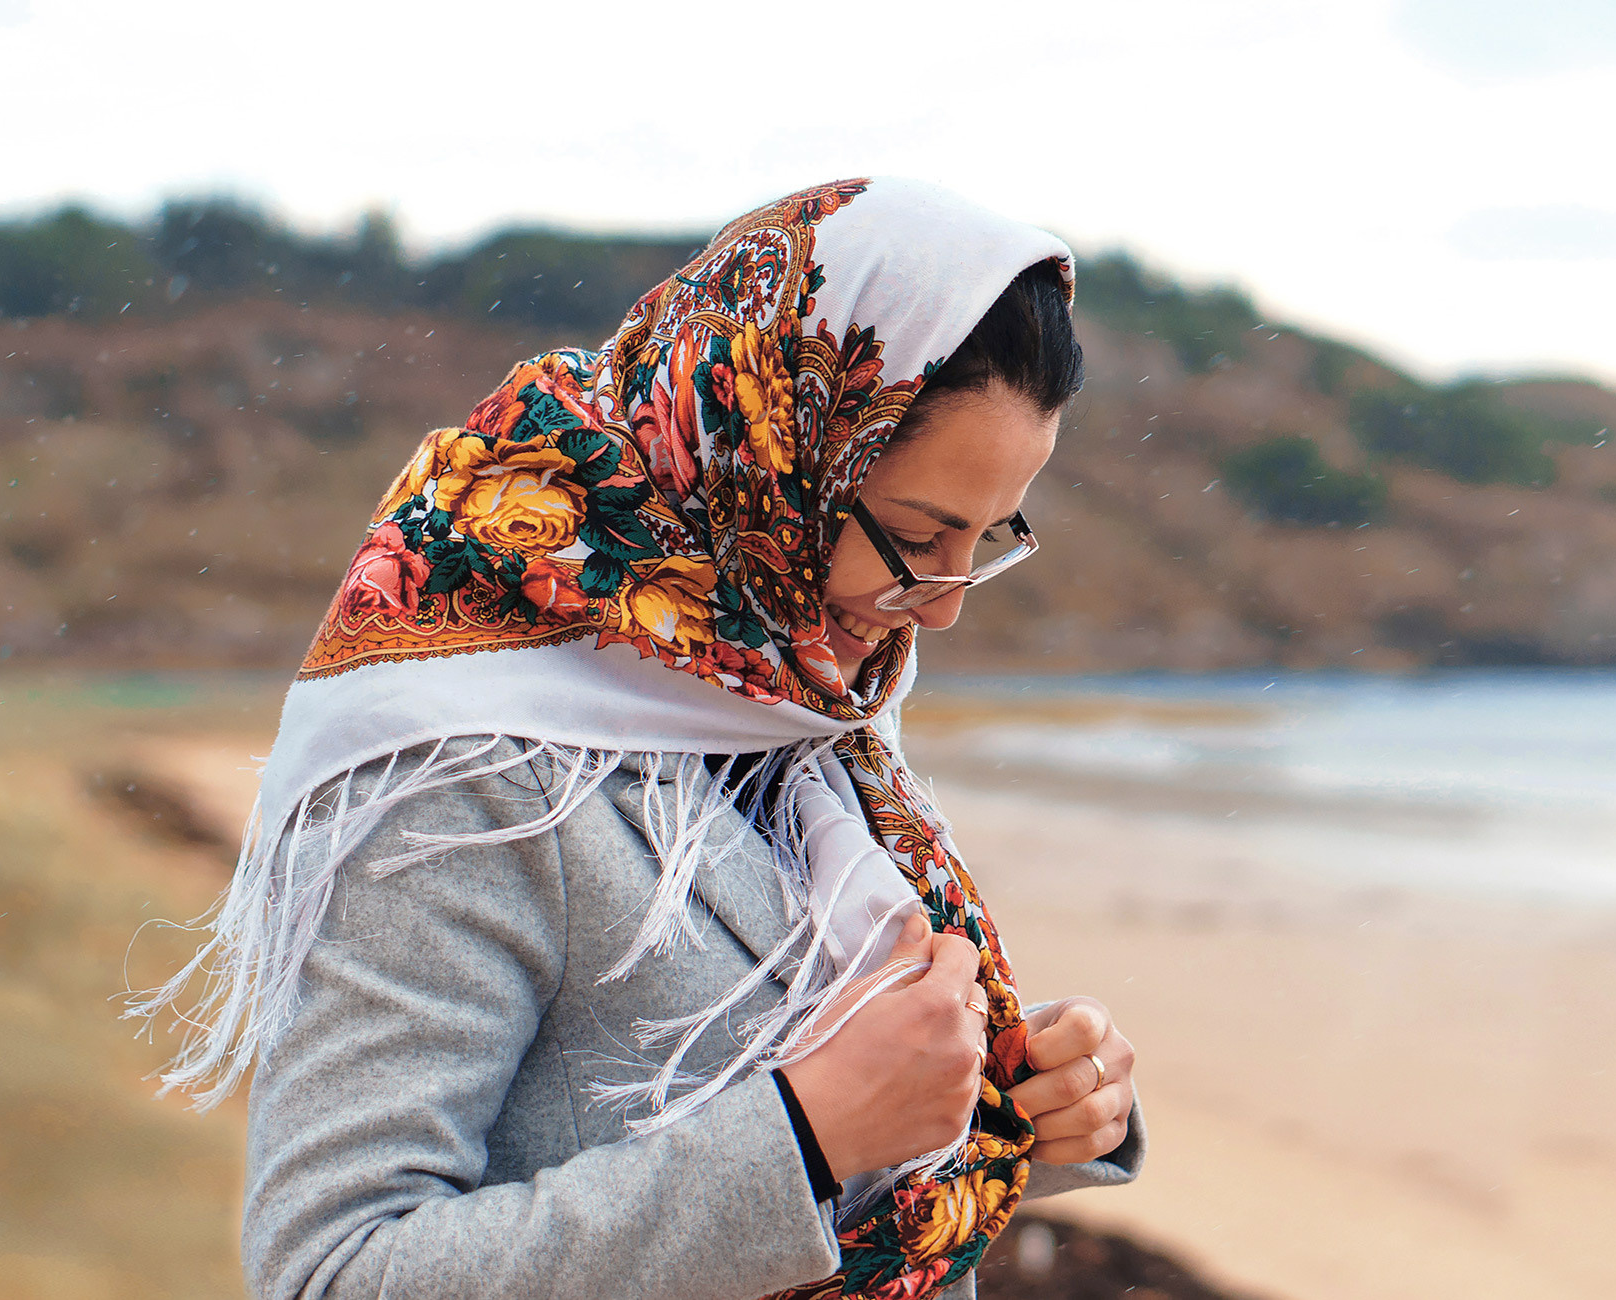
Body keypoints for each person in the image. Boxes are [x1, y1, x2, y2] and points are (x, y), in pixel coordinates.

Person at [129, 177, 1142, 1300]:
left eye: (990, 534)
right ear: (766, 462)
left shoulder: (788, 696)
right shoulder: (469, 762)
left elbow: (850, 1130)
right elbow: (333, 1270)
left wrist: (1028, 1096)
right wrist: (804, 1135)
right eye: (915, 536)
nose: (946, 603)